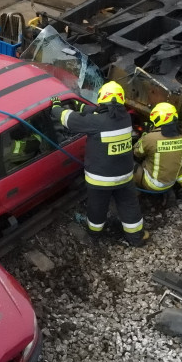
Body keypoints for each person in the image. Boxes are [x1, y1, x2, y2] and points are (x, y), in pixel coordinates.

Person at [52, 82, 148, 247]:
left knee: (97, 207)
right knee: (128, 204)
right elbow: (100, 112)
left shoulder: (96, 122)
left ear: (102, 98)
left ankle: (94, 235)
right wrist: (82, 107)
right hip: (124, 175)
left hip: (100, 179)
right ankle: (136, 237)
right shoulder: (124, 117)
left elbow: (68, 119)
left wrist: (55, 107)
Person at [133, 102, 182, 194]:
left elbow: (137, 152)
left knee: (129, 164)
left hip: (153, 184)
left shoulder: (151, 138)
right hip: (172, 182)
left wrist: (144, 135)